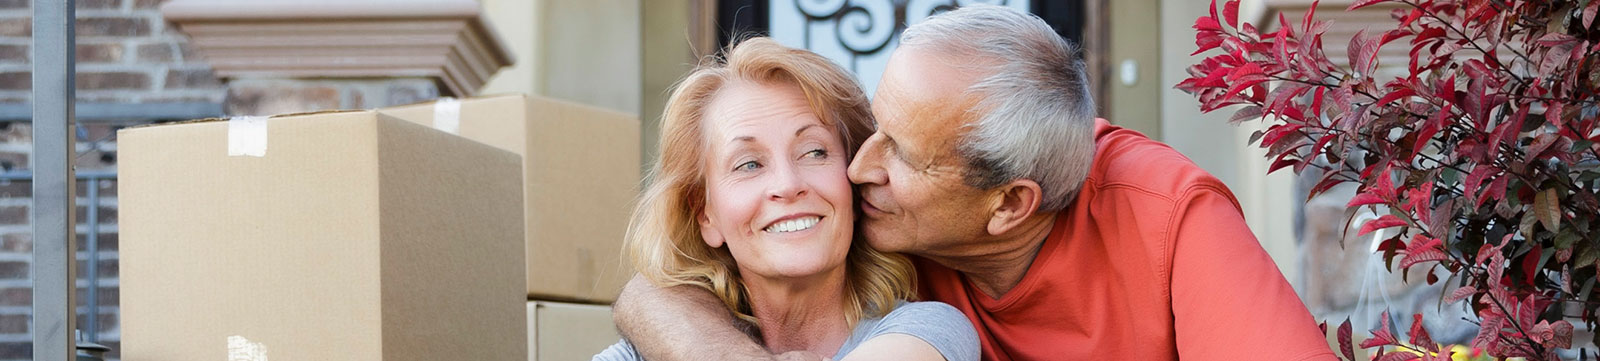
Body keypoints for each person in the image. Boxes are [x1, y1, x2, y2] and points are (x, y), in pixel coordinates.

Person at [612, 5, 1338, 361]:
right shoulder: (865, 209)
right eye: (871, 130)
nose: (857, 168)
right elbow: (656, 291)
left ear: (1009, 205)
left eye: (898, 153)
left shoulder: (1167, 217)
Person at [593, 37, 978, 361]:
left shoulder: (929, 331)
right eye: (748, 164)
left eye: (814, 152)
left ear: (854, 181)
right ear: (705, 216)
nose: (788, 184)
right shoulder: (645, 351)